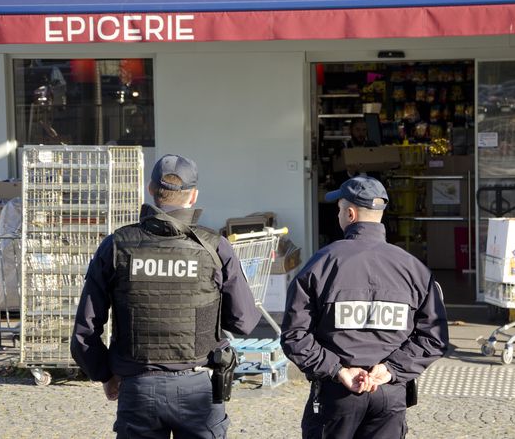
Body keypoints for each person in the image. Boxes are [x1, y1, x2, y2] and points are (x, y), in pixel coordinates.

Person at [71, 154, 261, 439]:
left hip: (137, 387)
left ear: (150, 189)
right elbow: (244, 321)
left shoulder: (116, 246)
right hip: (199, 386)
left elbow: (84, 333)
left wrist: (105, 374)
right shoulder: (215, 247)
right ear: (193, 195)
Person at [281, 176, 449, 439]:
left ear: (349, 214)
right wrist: (391, 370)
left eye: (339, 210)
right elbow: (434, 338)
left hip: (337, 395)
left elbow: (295, 336)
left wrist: (338, 370)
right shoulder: (414, 269)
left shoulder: (320, 264)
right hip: (389, 394)